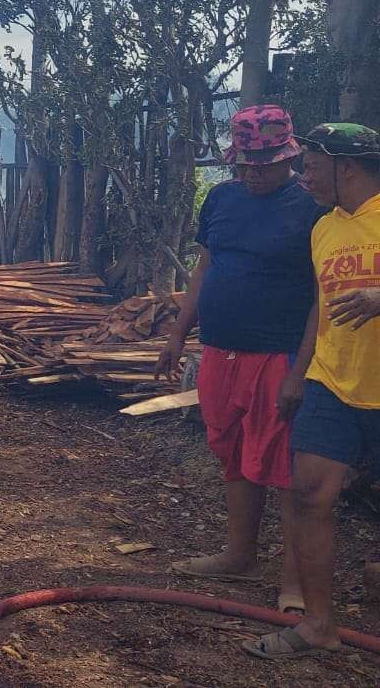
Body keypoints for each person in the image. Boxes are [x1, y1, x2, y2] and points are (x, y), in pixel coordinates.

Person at [156, 105, 322, 615]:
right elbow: (205, 267)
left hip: (279, 353)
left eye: (263, 164)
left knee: (285, 466)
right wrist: (179, 331)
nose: (252, 172)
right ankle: (238, 553)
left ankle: (295, 580)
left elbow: (321, 295)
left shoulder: (311, 208)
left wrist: (299, 371)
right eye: (245, 164)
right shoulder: (223, 199)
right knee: (232, 453)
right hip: (221, 351)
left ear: (288, 157)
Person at [244, 122, 380, 660]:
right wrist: (300, 372)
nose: (304, 177)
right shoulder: (325, 228)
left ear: (345, 166)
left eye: (313, 166)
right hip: (333, 380)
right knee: (308, 494)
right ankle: (318, 625)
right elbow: (321, 306)